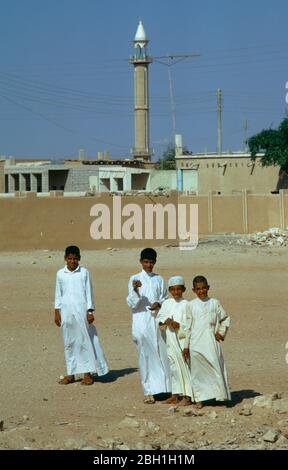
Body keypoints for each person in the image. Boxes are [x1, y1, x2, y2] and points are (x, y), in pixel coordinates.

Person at [54, 245, 109, 385]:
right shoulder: (60, 274)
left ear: (79, 259)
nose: (73, 261)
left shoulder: (84, 272)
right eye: (70, 259)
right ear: (65, 258)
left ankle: (87, 373)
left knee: (85, 341)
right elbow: (58, 293)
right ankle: (71, 373)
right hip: (66, 312)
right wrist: (56, 311)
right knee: (69, 342)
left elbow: (89, 292)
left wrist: (90, 311)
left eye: (75, 259)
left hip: (82, 311)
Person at [126, 248, 171, 404]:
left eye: (151, 262)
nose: (149, 265)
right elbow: (131, 303)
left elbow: (165, 298)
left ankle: (164, 389)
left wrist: (159, 303)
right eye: (146, 262)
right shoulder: (134, 279)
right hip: (141, 323)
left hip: (156, 322)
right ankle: (149, 391)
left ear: (155, 263)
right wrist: (136, 290)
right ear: (141, 262)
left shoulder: (159, 279)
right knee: (144, 355)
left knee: (161, 353)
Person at [183, 275, 231, 409]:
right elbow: (188, 327)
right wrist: (186, 347)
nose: (201, 291)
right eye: (198, 289)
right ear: (193, 290)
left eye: (204, 288)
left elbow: (225, 319)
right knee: (198, 373)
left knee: (216, 368)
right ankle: (200, 399)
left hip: (211, 342)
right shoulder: (190, 305)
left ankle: (220, 396)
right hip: (195, 344)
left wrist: (220, 332)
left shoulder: (215, 303)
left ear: (208, 288)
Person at [156, 276, 193, 406]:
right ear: (170, 290)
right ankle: (175, 394)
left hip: (182, 340)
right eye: (173, 289)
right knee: (173, 367)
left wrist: (179, 326)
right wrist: (166, 320)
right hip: (170, 339)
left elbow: (190, 324)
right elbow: (159, 317)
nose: (176, 292)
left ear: (184, 289)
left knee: (184, 366)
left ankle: (187, 396)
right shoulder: (167, 303)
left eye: (179, 289)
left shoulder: (187, 304)